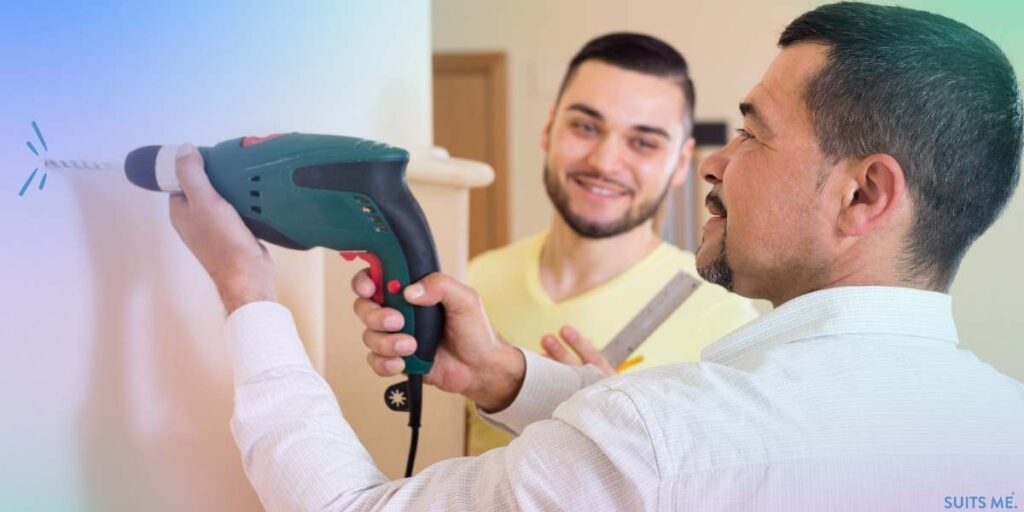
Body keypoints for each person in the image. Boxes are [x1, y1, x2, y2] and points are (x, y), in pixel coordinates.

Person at [168, 2, 1024, 510]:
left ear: (864, 195)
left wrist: (248, 295)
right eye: (585, 124)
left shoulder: (669, 429)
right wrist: (515, 380)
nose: (722, 164)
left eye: (753, 133)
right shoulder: (1007, 437)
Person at [465, 32, 758, 455]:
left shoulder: (725, 325)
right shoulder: (477, 282)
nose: (604, 162)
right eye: (585, 127)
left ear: (680, 162)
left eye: (643, 142)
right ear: (548, 129)